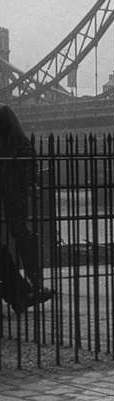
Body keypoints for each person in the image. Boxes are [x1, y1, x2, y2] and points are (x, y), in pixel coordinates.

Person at [0, 104, 53, 313]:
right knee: (20, 232)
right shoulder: (5, 114)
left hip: (10, 183)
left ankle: (24, 290)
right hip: (12, 186)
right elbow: (26, 151)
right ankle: (28, 287)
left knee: (18, 233)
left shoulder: (3, 114)